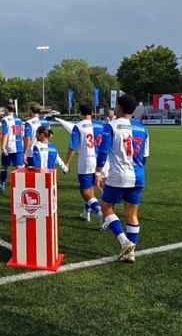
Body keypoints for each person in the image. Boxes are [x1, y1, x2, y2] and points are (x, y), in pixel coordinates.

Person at [97, 94, 149, 262]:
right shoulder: (143, 129)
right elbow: (145, 156)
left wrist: (98, 173)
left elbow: (103, 151)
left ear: (118, 107)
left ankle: (124, 241)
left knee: (106, 207)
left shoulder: (110, 126)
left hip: (119, 175)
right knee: (132, 213)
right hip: (138, 175)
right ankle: (131, 252)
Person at [64, 103, 103, 223]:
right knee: (91, 189)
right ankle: (86, 213)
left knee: (85, 191)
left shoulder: (79, 126)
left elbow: (72, 147)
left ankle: (101, 213)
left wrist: (67, 163)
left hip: (86, 161)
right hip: (99, 161)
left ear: (80, 113)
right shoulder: (101, 125)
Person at [0, 105, 24, 192]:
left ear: (7, 109)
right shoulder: (19, 119)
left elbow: (5, 133)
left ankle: (2, 185)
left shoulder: (5, 120)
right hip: (19, 146)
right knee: (19, 167)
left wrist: (3, 147)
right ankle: (20, 187)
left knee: (4, 167)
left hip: (9, 146)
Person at [22, 102, 49, 167]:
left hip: (32, 153)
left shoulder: (29, 123)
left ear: (31, 110)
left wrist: (25, 153)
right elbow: (49, 136)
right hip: (45, 151)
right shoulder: (46, 122)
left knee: (31, 175)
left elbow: (27, 138)